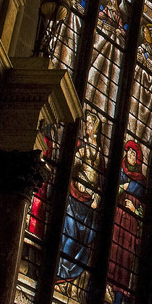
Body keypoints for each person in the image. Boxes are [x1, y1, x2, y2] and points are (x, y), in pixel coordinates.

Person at [59, 113, 104, 286]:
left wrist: (97, 196)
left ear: (96, 129)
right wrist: (78, 180)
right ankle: (60, 271)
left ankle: (68, 276)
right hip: (75, 196)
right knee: (70, 235)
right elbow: (72, 167)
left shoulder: (98, 152)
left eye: (91, 124)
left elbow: (101, 180)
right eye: (86, 123)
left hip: (89, 202)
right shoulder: (82, 148)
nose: (87, 126)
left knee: (82, 239)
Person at [107, 140, 146, 304]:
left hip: (132, 230)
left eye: (133, 154)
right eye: (128, 153)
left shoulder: (141, 182)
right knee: (114, 262)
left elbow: (146, 211)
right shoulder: (120, 174)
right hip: (117, 224)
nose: (130, 156)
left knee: (128, 269)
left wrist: (135, 210)